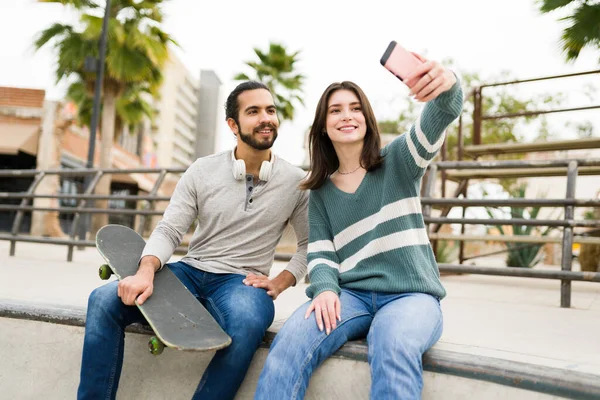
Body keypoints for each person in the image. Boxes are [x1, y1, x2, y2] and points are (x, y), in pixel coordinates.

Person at [77, 81, 309, 400]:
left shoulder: (296, 182)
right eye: (253, 111)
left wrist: (282, 280)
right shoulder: (203, 170)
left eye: (270, 110)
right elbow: (170, 229)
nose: (265, 118)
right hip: (189, 271)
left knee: (246, 323)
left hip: (241, 283)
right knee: (103, 300)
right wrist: (146, 271)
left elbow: (311, 244)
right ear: (233, 124)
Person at [254, 56, 463, 399]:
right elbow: (321, 252)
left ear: (367, 118)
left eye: (355, 108)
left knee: (392, 343)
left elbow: (443, 110)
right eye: (335, 110)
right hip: (350, 298)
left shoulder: (400, 159)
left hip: (411, 296)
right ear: (323, 125)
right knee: (290, 341)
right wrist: (323, 288)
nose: (347, 115)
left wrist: (448, 80)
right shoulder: (319, 190)